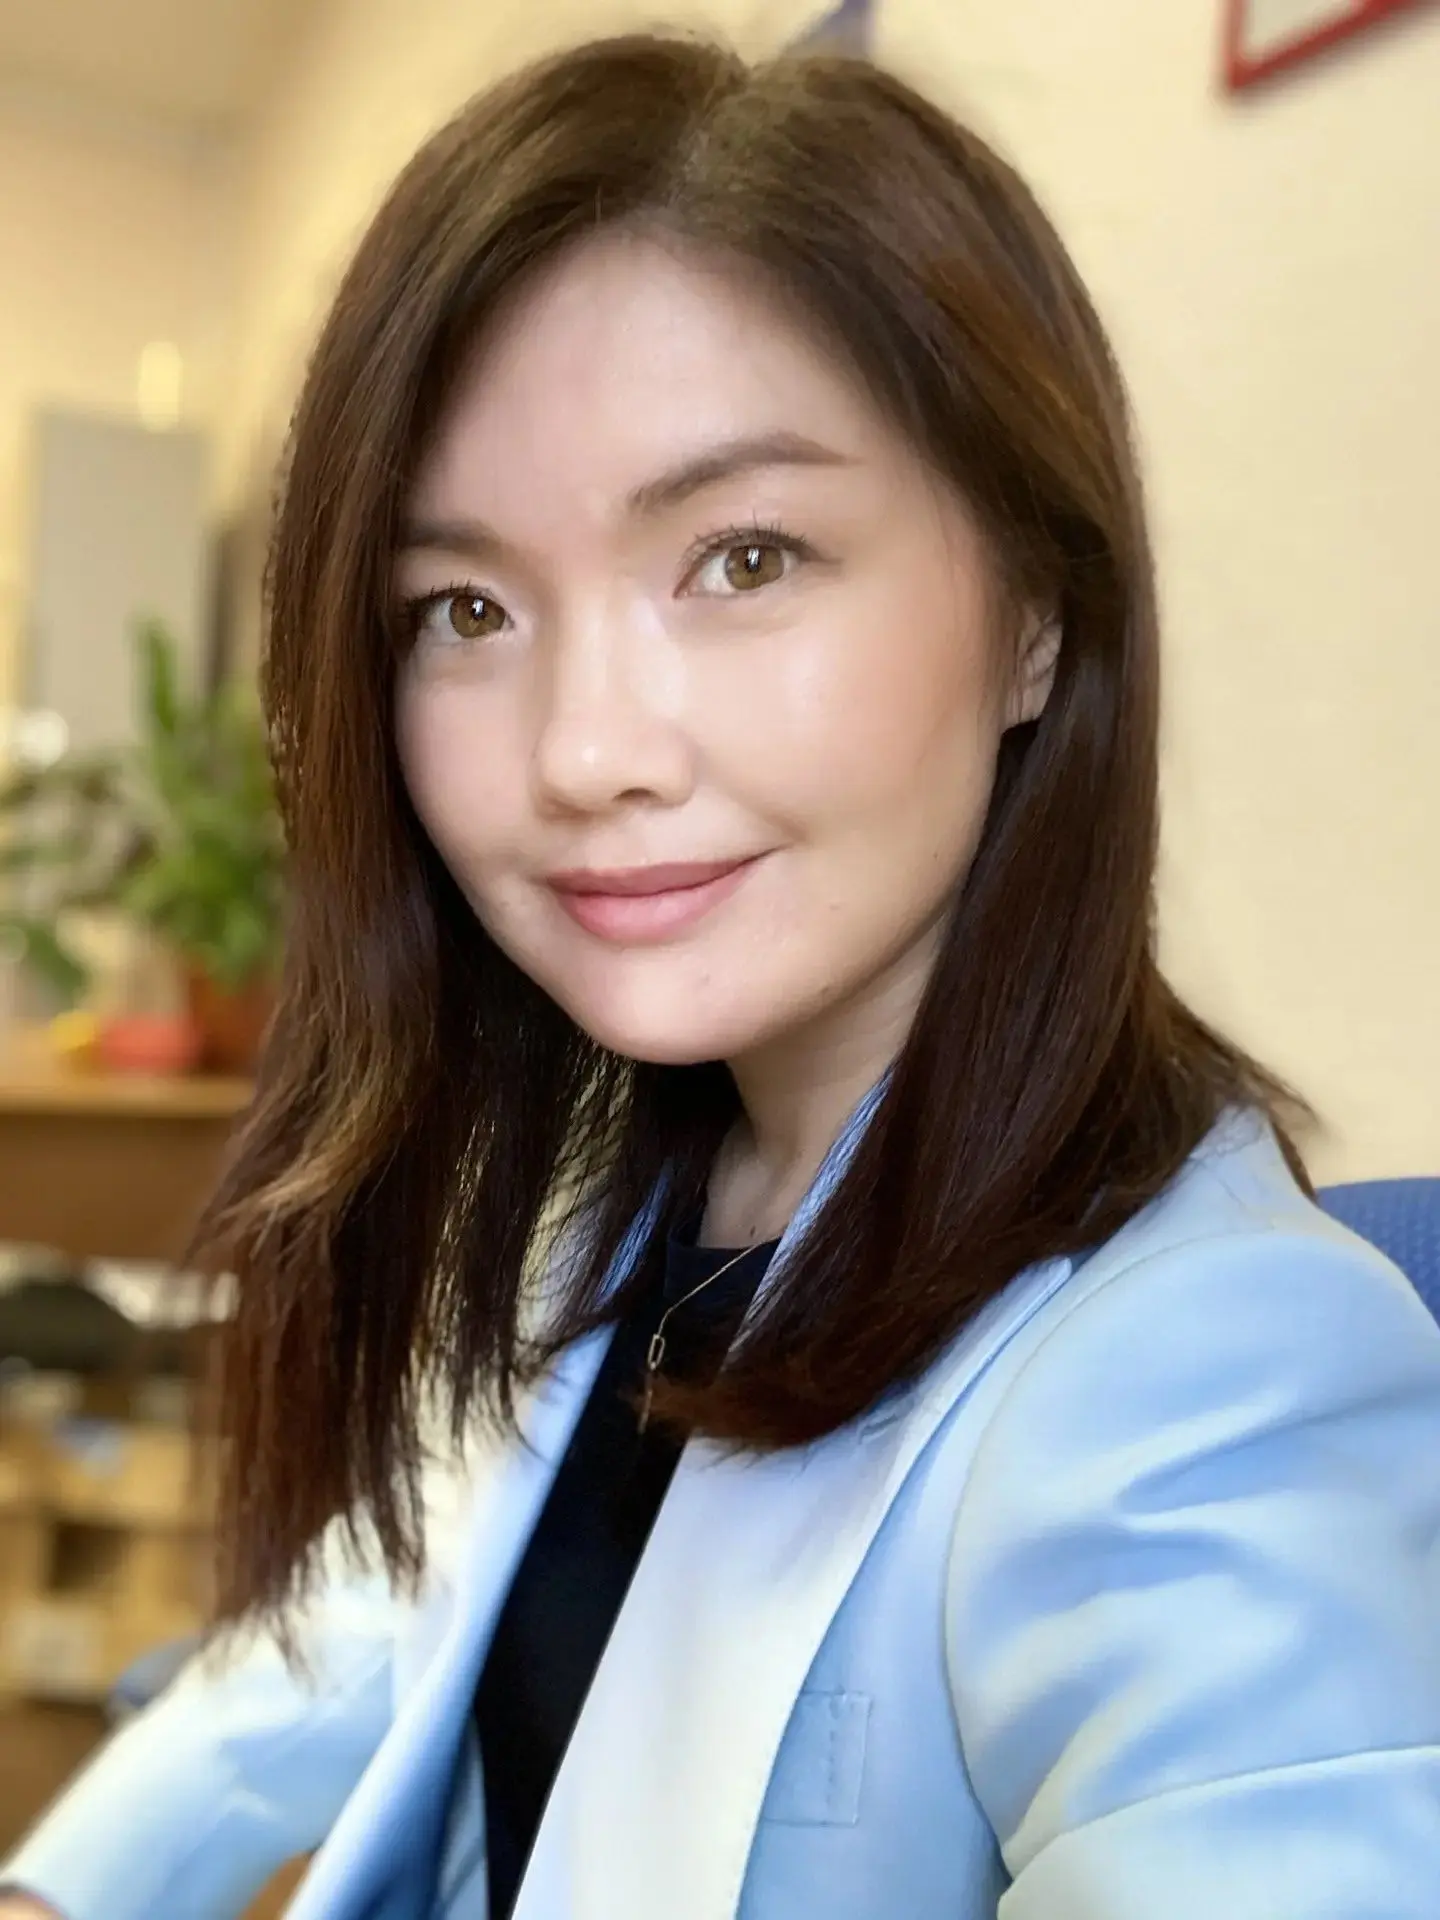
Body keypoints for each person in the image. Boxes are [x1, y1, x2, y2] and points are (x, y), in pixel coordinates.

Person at [5, 30, 1440, 1920]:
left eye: (745, 557)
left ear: (1036, 610)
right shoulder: (632, 1180)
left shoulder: (1210, 1378)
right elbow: (395, 1594)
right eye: (466, 608)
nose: (584, 750)